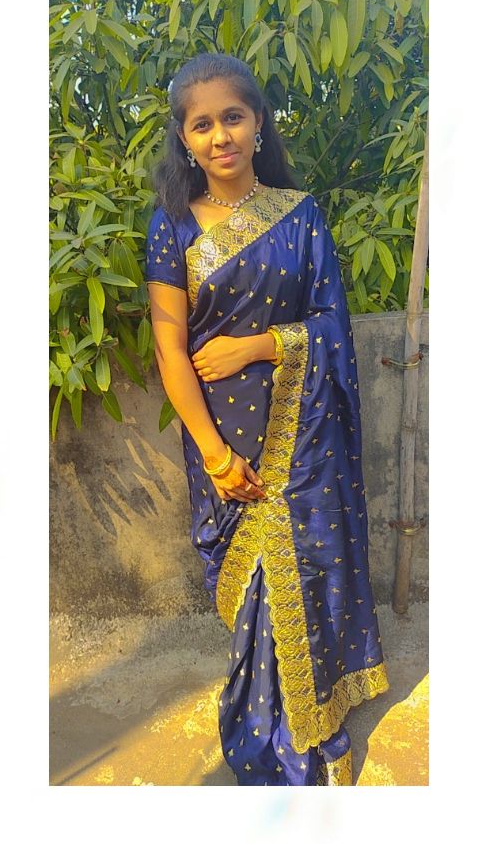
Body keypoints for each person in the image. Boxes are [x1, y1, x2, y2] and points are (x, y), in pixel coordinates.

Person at [145, 52, 390, 786]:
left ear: (258, 123)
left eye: (233, 117)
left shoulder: (301, 215)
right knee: (255, 585)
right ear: (184, 138)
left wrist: (261, 344)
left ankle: (313, 721)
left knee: (306, 570)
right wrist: (214, 454)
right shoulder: (172, 226)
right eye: (202, 125)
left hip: (304, 439)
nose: (219, 136)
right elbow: (169, 351)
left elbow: (331, 324)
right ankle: (270, 728)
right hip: (223, 441)